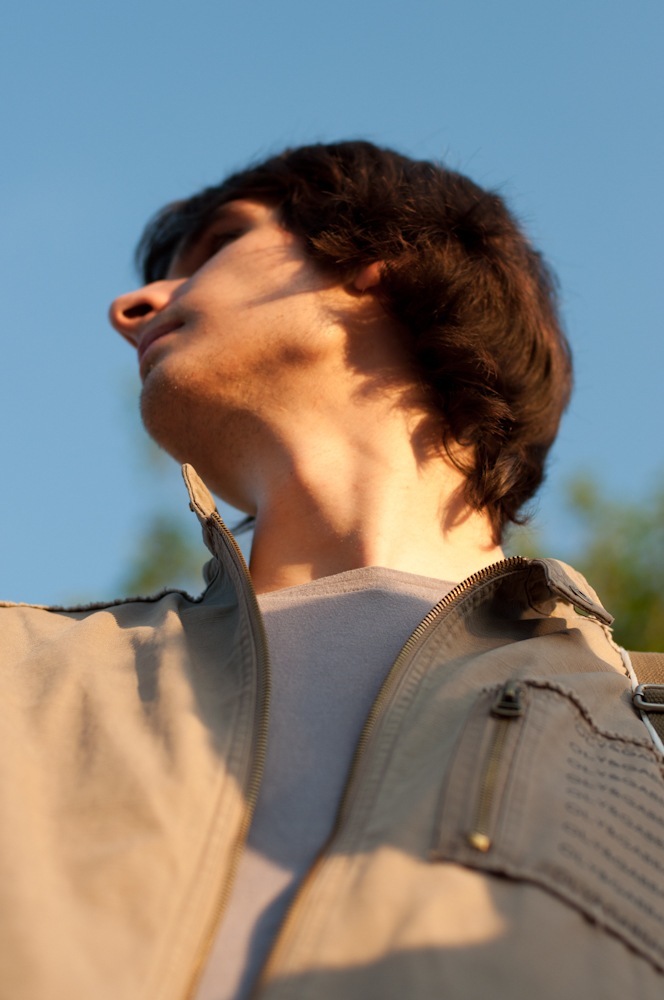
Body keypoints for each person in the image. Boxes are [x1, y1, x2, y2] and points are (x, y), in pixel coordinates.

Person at [2, 141, 663, 1000]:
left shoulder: (644, 728)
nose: (130, 309)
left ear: (379, 262)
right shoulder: (18, 670)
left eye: (217, 246)